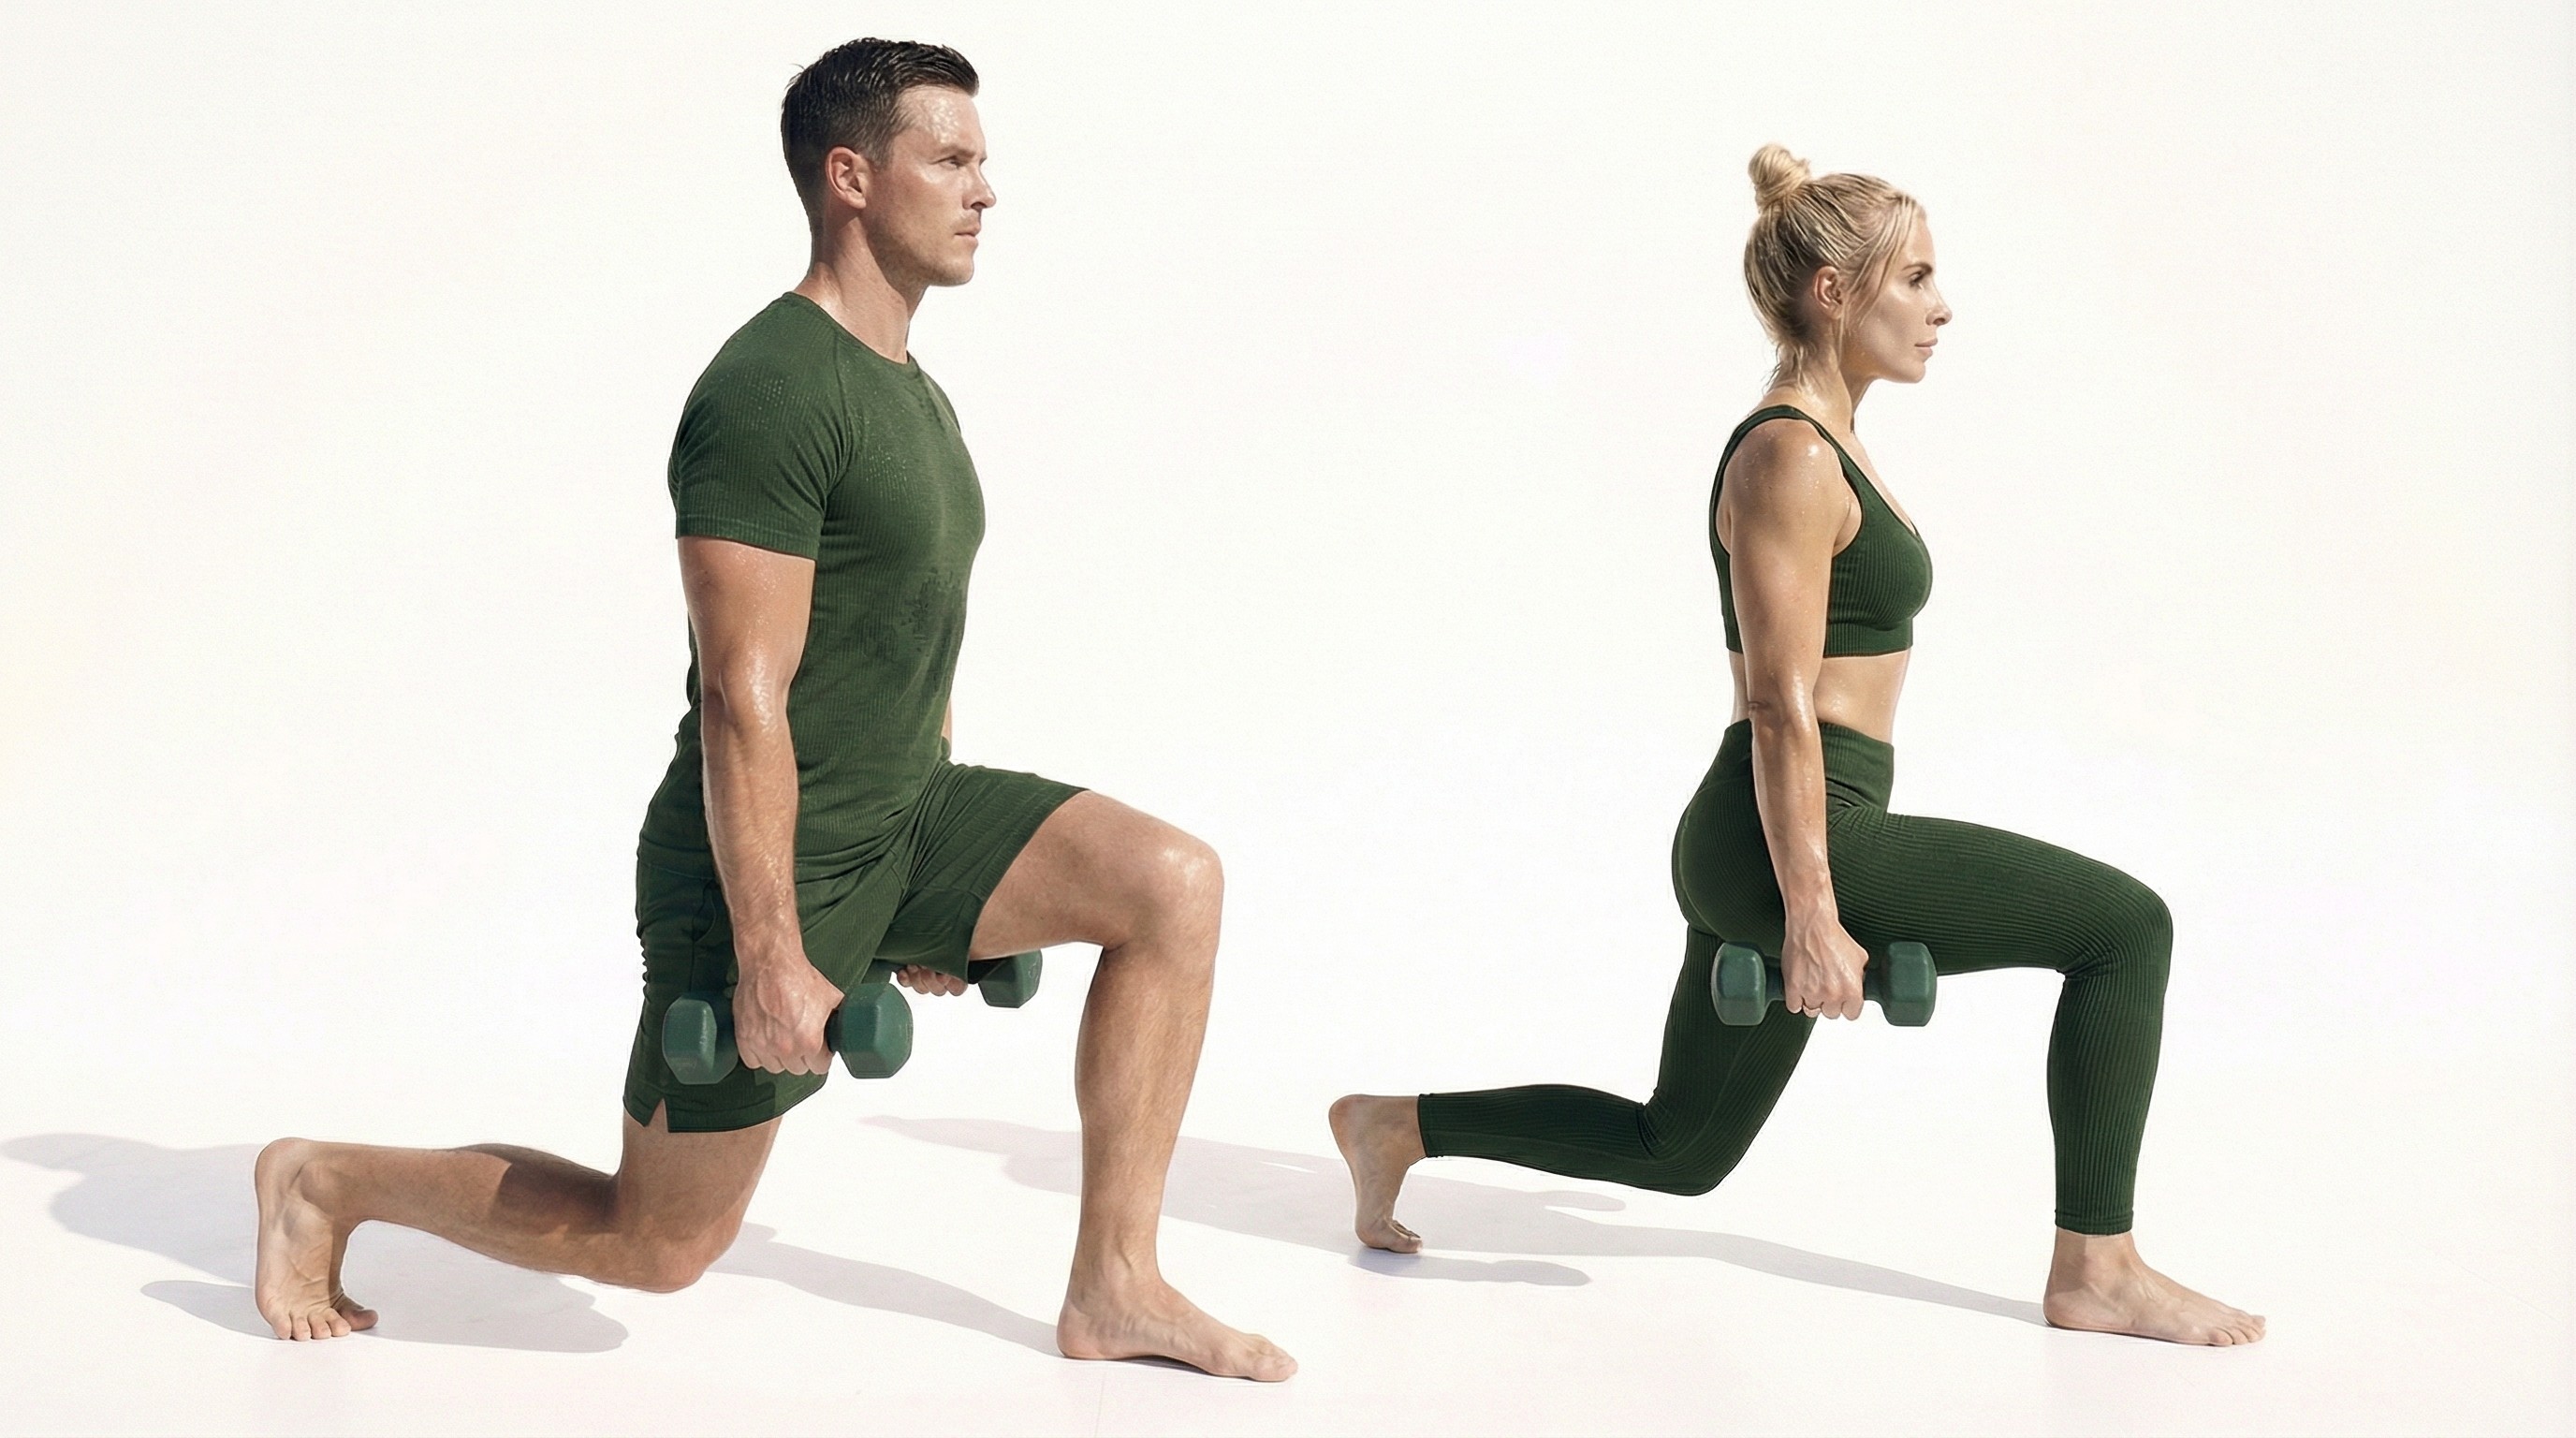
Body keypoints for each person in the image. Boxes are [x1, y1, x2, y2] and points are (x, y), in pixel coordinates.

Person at [251, 37, 1295, 1382]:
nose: (988, 190)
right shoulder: (771, 388)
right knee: (656, 1249)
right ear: (851, 177)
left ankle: (1118, 1284)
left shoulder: (915, 394)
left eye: (985, 160)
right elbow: (746, 698)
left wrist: (939, 896)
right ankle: (325, 1182)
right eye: (954, 158)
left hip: (900, 815)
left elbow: (911, 640)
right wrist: (771, 953)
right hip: (761, 855)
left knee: (1172, 884)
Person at [1330, 144, 2264, 1346]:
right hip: (1791, 826)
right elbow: (1779, 703)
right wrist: (1812, 911)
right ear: (1834, 290)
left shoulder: (1833, 438)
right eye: (1915, 280)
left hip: (1782, 825)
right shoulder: (1788, 453)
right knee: (2122, 928)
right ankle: (2099, 1267)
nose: (1940, 308)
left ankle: (1393, 1126)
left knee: (1682, 1148)